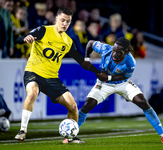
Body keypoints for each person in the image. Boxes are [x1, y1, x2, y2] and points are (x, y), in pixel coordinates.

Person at [14, 7, 102, 144]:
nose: (65, 24)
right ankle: (22, 131)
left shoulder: (68, 41)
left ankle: (70, 138)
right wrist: (26, 37)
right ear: (56, 19)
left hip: (52, 78)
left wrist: (97, 72)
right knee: (32, 94)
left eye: (68, 21)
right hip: (33, 72)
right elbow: (19, 39)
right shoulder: (43, 30)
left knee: (73, 106)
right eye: (62, 20)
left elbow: (80, 60)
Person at [76, 37, 163, 143]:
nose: (114, 54)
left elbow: (125, 77)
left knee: (143, 102)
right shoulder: (106, 49)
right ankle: (71, 135)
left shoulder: (131, 62)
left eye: (119, 52)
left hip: (122, 83)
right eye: (114, 50)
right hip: (104, 84)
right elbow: (90, 43)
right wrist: (86, 59)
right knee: (87, 104)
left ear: (126, 52)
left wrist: (109, 77)